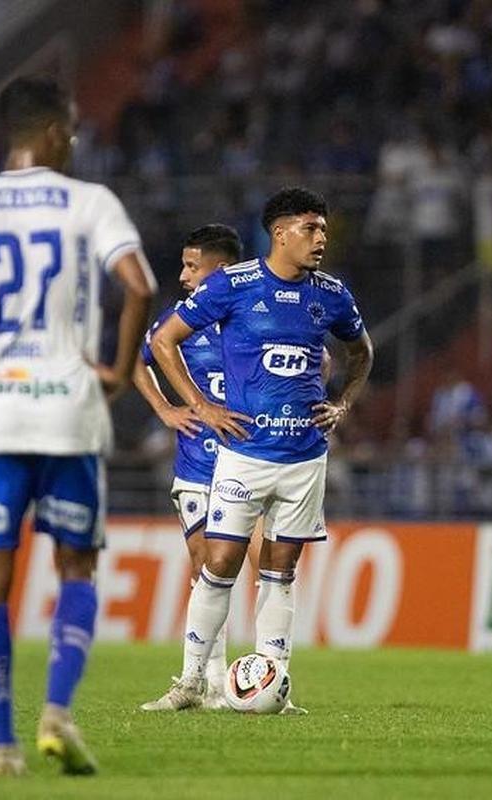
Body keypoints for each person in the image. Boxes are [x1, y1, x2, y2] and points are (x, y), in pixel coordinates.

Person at [0, 76, 156, 776]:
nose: (73, 141)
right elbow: (137, 286)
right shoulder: (91, 204)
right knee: (76, 565)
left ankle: (2, 746)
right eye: (71, 130)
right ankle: (57, 710)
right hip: (69, 413)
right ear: (50, 131)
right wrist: (112, 370)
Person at [147, 186, 373, 714]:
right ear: (280, 233)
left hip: (305, 457)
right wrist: (200, 406)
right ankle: (190, 682)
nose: (321, 238)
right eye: (311, 228)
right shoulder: (234, 285)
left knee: (280, 569)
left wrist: (343, 404)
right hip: (245, 453)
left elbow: (361, 352)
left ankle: (275, 683)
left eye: (324, 229)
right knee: (219, 562)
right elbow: (163, 342)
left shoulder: (332, 295)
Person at [133, 224, 243, 711]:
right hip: (198, 463)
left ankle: (266, 675)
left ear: (220, 270)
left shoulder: (252, 314)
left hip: (249, 462)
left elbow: (318, 360)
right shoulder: (181, 320)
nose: (182, 276)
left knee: (261, 566)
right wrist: (166, 409)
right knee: (203, 565)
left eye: (192, 266)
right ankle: (207, 681)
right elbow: (138, 360)